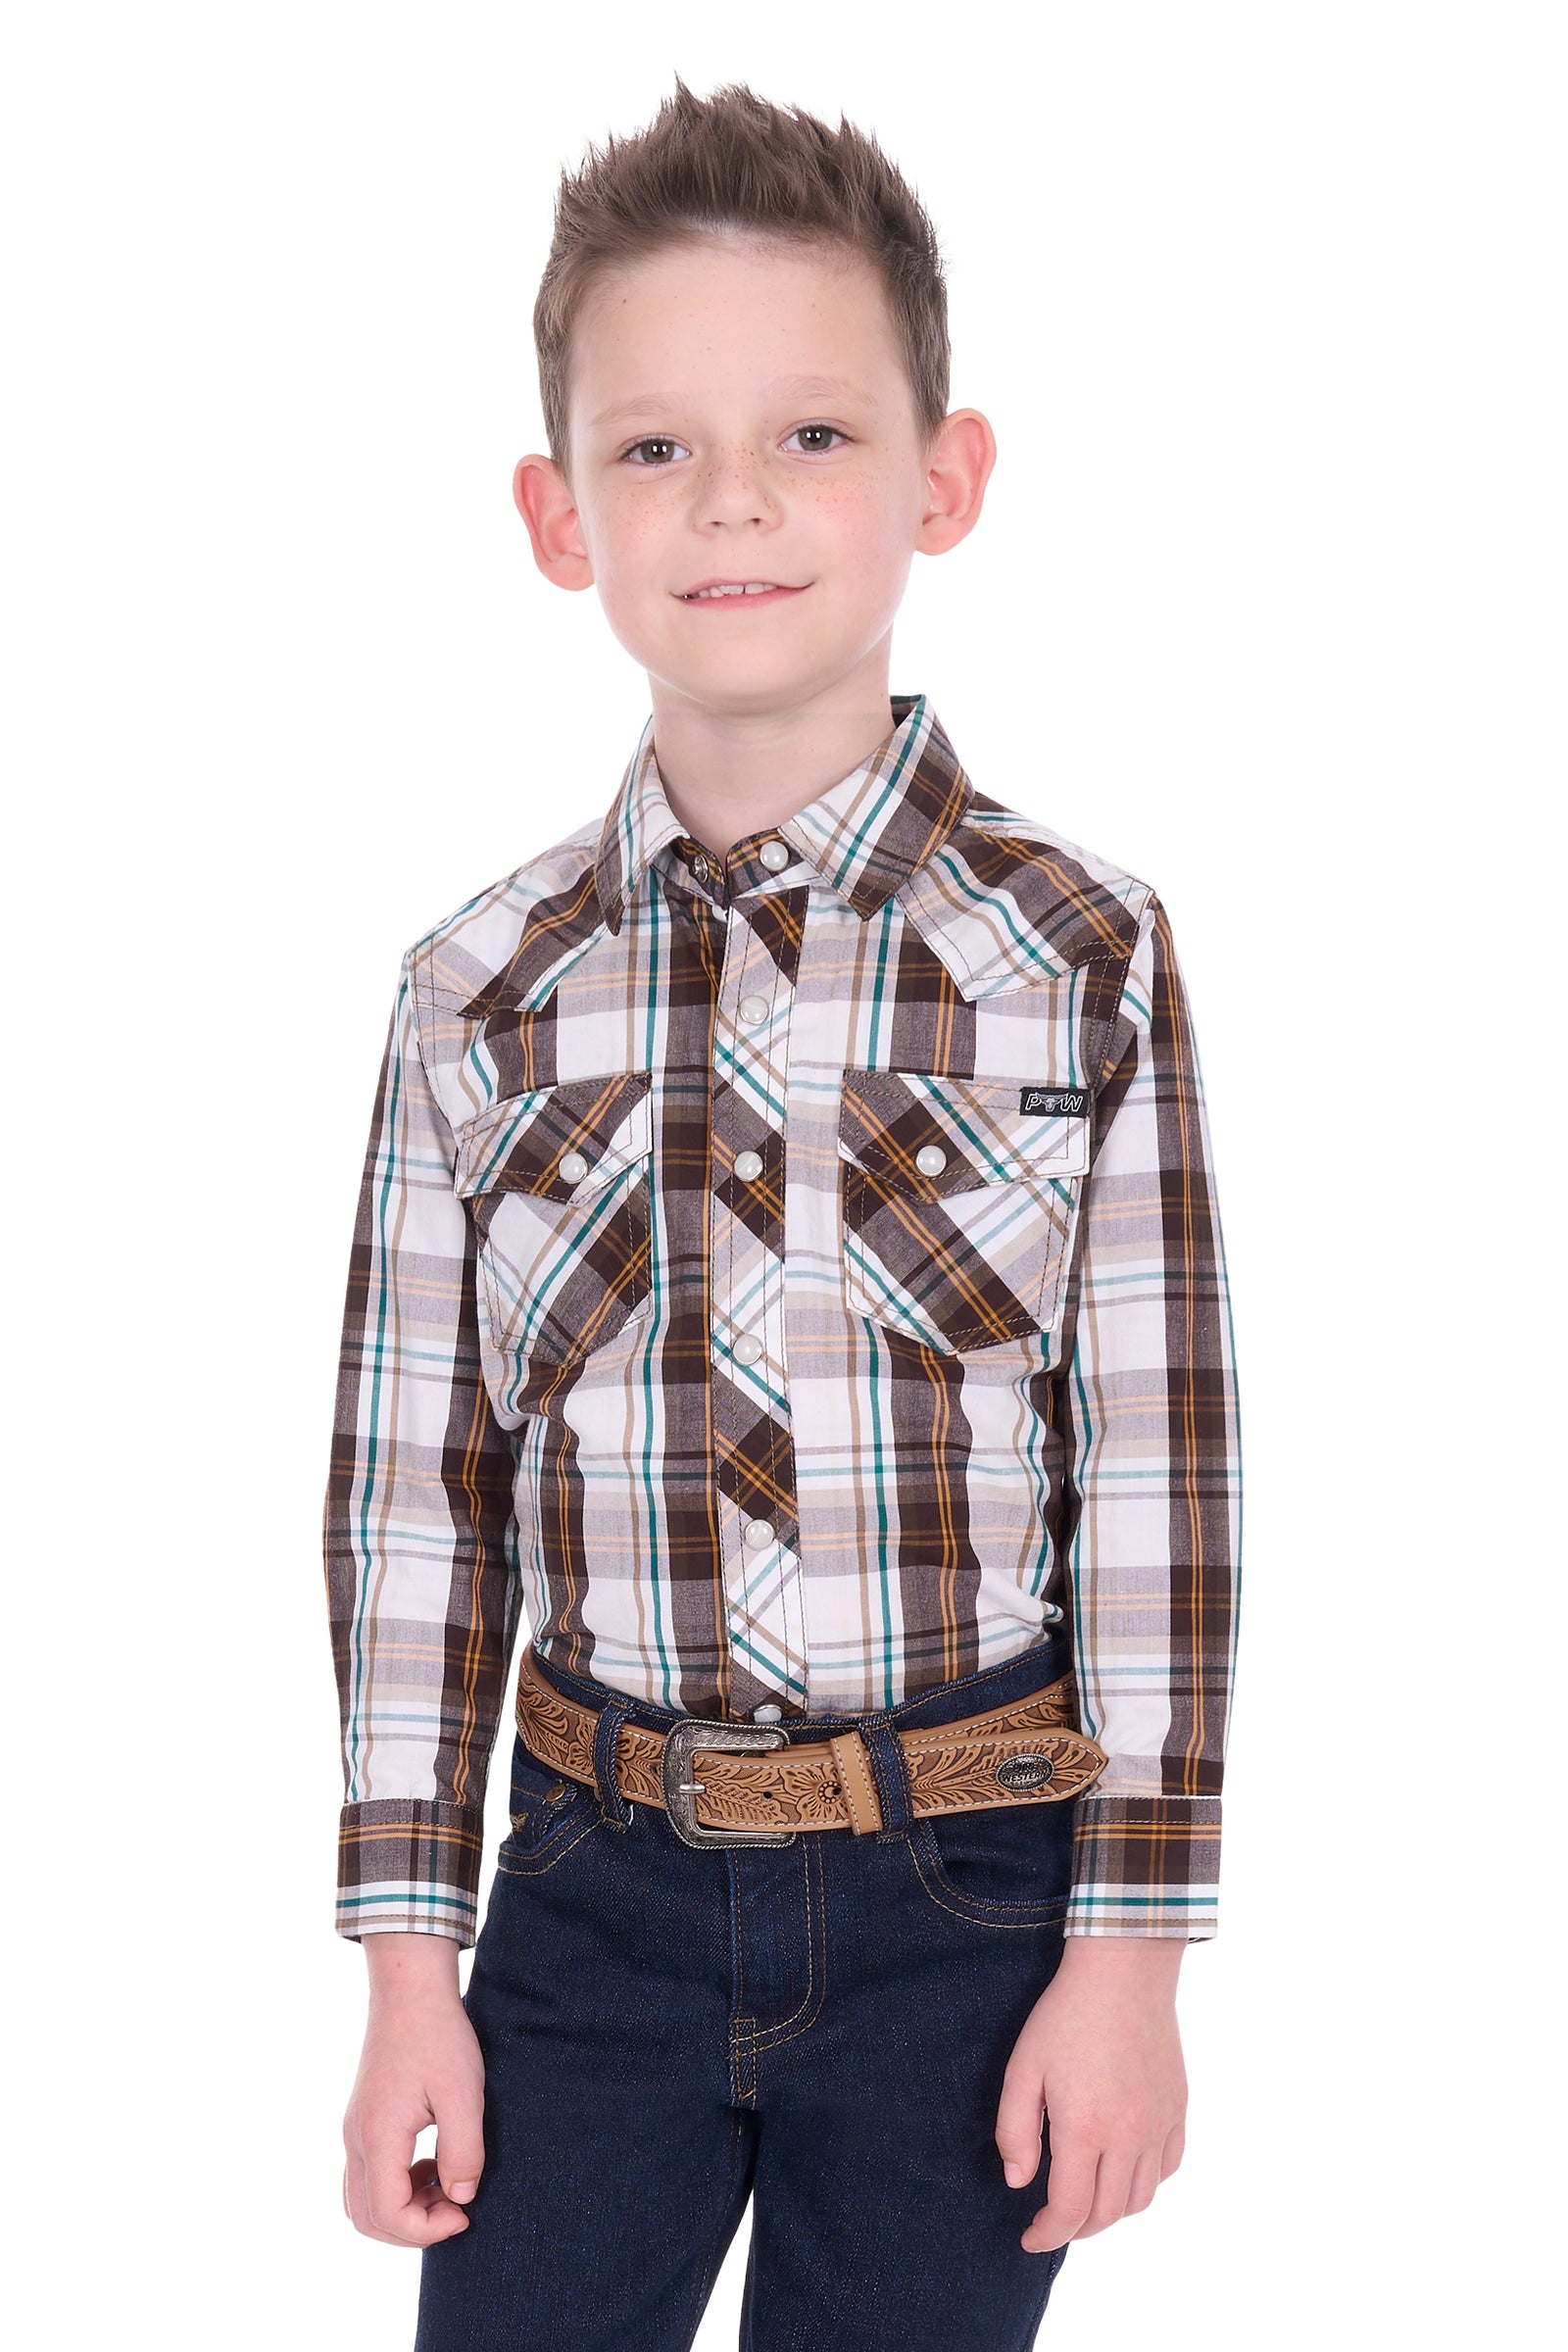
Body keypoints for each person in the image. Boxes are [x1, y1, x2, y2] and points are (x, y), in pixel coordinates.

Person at [323, 76, 1242, 2352]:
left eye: (810, 436)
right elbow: (414, 1507)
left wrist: (1123, 1957)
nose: (731, 500)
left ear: (943, 478)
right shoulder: (473, 990)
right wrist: (404, 1973)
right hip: (587, 1908)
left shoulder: (1079, 947)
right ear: (559, 517)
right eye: (653, 450)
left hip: (967, 1895)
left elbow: (1155, 1482)